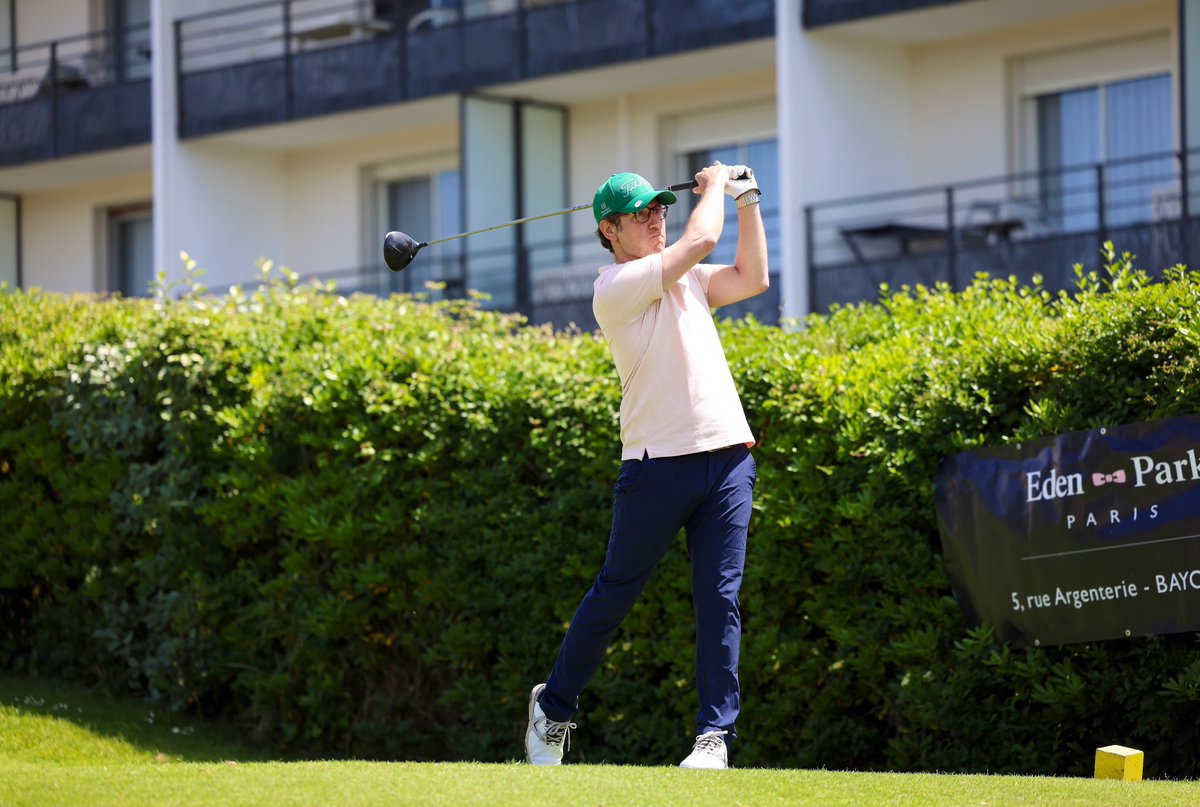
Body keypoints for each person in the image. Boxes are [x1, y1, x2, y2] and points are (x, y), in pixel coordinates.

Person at [524, 163, 768, 769]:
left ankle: (714, 738)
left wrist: (748, 201)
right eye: (643, 215)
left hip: (728, 455)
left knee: (720, 597)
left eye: (661, 209)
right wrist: (713, 190)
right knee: (616, 592)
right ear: (609, 231)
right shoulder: (616, 286)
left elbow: (752, 276)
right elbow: (702, 241)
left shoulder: (685, 277)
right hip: (657, 464)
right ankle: (552, 709)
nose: (657, 220)